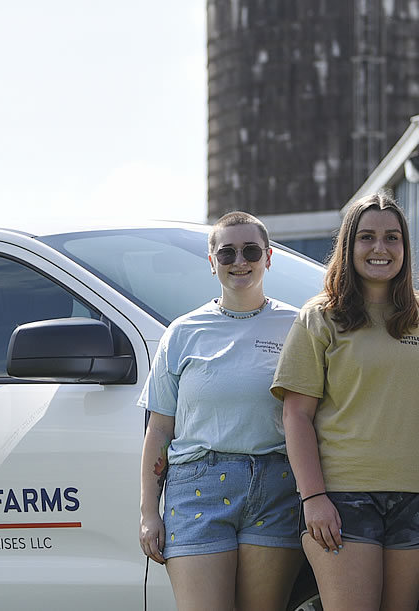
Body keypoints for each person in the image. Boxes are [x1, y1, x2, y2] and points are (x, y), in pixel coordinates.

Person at [274, 194, 419, 611]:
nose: (380, 249)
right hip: (342, 498)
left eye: (392, 238)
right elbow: (296, 414)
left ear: (405, 248)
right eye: (367, 237)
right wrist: (313, 498)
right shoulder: (319, 316)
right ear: (348, 246)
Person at [137, 212, 304, 611]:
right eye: (226, 253)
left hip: (276, 485)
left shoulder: (297, 326)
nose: (239, 261)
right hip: (198, 487)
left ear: (268, 257)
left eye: (250, 251)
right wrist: (148, 513)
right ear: (212, 262)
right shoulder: (182, 333)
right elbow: (159, 430)